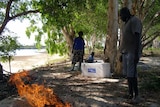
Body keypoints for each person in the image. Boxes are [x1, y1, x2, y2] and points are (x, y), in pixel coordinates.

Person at [119, 7, 142, 103]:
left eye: (121, 15)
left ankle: (136, 96)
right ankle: (130, 94)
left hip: (132, 52)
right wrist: (121, 53)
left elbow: (137, 37)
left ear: (126, 14)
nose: (120, 18)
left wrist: (136, 54)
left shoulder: (134, 21)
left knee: (132, 75)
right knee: (128, 75)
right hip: (126, 52)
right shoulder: (126, 23)